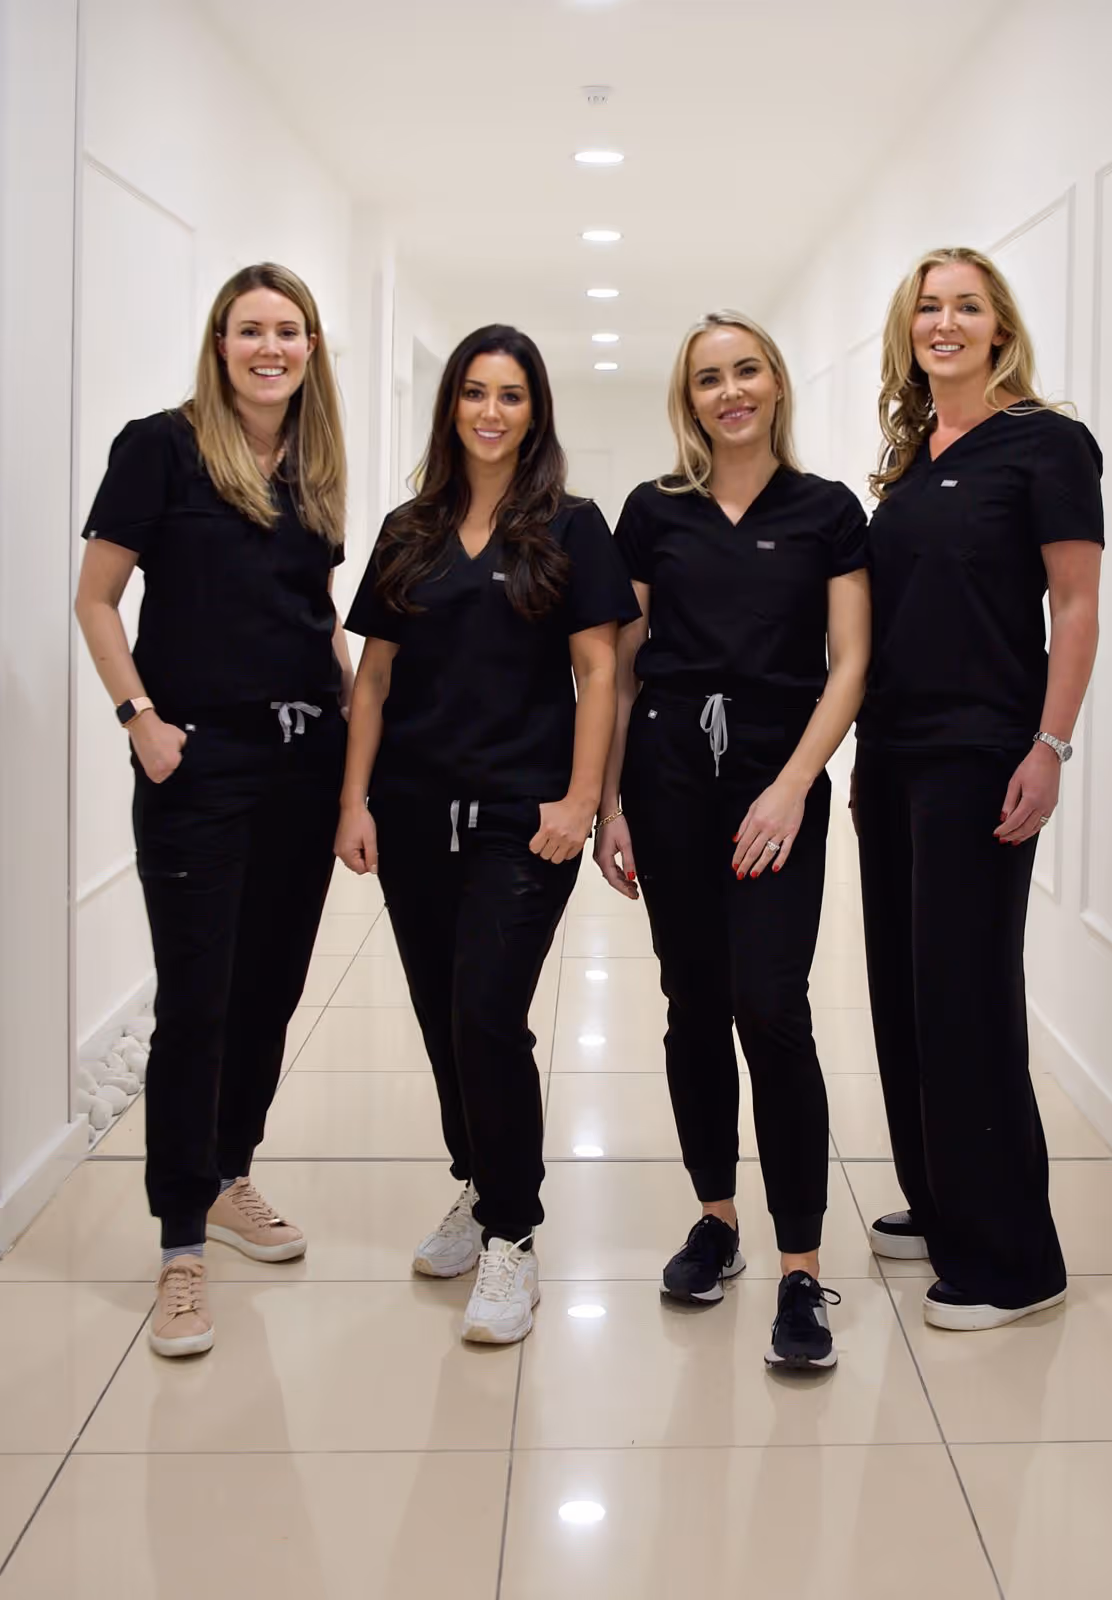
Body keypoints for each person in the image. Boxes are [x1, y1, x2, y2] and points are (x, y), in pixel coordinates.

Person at [336, 324, 638, 1347]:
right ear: (451, 406)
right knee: (438, 1019)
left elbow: (599, 671)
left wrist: (580, 801)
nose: (491, 411)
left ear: (534, 410)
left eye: (511, 395)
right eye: (474, 392)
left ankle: (514, 1234)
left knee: (486, 1016)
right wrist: (354, 799)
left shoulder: (571, 526)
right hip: (417, 813)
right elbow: (373, 678)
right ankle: (475, 1181)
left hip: (524, 819)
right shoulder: (408, 528)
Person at [75, 263, 353, 1357]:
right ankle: (180, 1244)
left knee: (270, 991)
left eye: (289, 331)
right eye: (251, 330)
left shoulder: (315, 468)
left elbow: (317, 618)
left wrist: (352, 754)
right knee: (196, 999)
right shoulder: (162, 445)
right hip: (198, 759)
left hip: (303, 760)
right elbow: (99, 596)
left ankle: (232, 1171)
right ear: (221, 341)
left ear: (312, 347)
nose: (270, 347)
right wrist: (139, 715)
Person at [595, 311, 871, 1370]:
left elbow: (848, 663)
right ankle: (717, 1218)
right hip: (667, 779)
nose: (729, 391)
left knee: (772, 1004)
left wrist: (794, 785)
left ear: (775, 383)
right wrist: (612, 799)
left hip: (774, 783)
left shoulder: (827, 512)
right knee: (691, 1002)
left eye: (745, 370)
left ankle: (802, 1270)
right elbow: (620, 666)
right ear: (689, 400)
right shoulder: (652, 513)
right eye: (708, 378)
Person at [853, 246, 1104, 1331]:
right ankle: (941, 1194)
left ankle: (1012, 1258)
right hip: (895, 750)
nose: (943, 323)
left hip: (980, 753)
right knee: (904, 990)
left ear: (998, 326)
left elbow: (1077, 605)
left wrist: (1048, 744)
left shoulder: (1046, 442)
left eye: (966, 307)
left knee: (965, 993)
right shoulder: (912, 454)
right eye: (927, 308)